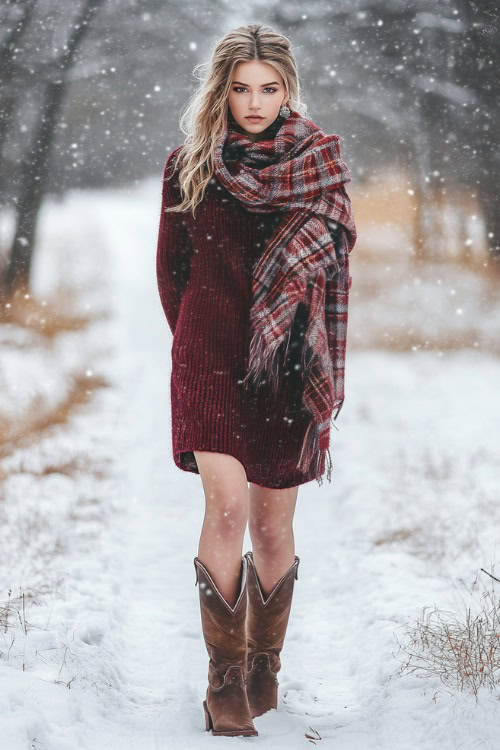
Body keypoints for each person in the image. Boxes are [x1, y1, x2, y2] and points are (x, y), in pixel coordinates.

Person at [156, 23, 356, 737]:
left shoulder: (319, 167)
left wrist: (290, 348)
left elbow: (333, 273)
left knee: (273, 528)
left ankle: (263, 665)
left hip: (286, 365)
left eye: (268, 88)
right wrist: (199, 337)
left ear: (288, 90)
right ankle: (225, 682)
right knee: (229, 512)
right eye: (240, 88)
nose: (253, 101)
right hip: (209, 356)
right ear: (221, 89)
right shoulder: (190, 166)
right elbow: (171, 275)